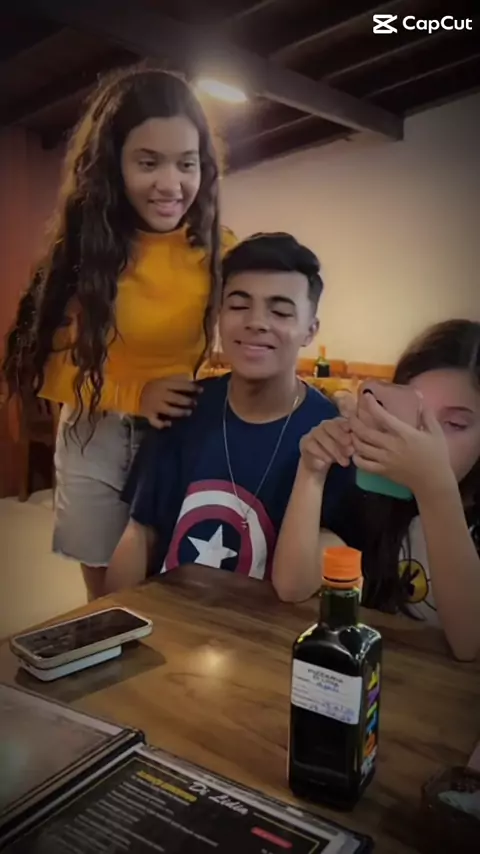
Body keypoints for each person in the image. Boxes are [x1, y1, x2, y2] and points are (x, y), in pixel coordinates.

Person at [1, 65, 236, 600]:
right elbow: (48, 368)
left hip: (179, 434)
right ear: (114, 164)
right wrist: (136, 395)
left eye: (187, 163)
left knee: (173, 590)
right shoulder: (82, 254)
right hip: (93, 434)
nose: (171, 184)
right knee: (106, 599)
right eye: (148, 162)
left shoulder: (221, 250)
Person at [105, 232, 352, 593]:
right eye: (238, 306)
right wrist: (115, 615)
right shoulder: (183, 407)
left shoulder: (329, 435)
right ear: (218, 316)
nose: (256, 322)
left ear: (309, 331)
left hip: (261, 624)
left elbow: (319, 579)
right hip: (170, 611)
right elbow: (140, 533)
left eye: (280, 312)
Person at [277, 320, 480, 661]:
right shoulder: (377, 498)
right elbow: (292, 586)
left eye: (455, 424)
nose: (426, 441)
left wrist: (435, 487)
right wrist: (311, 470)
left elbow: (469, 643)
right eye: (416, 419)